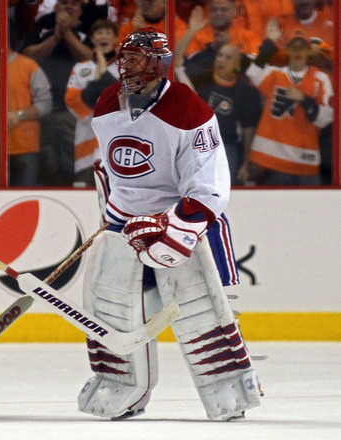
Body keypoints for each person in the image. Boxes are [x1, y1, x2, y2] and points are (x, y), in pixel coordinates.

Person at [78, 28, 262, 421]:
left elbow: (209, 184)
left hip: (185, 221)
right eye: (125, 58)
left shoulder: (188, 108)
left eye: (138, 58)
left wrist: (176, 228)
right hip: (124, 226)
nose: (127, 65)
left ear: (160, 64)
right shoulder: (108, 102)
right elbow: (114, 171)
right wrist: (110, 218)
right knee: (110, 310)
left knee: (204, 310)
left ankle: (227, 387)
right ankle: (123, 385)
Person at [175, 13, 262, 185]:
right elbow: (176, 61)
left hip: (227, 148)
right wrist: (191, 31)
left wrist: (246, 163)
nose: (221, 60)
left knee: (225, 193)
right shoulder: (201, 79)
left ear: (237, 64)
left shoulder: (245, 91)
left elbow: (248, 130)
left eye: (228, 57)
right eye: (220, 55)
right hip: (198, 147)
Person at [242, 25, 334, 185]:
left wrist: (305, 100)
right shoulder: (275, 74)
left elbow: (327, 117)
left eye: (302, 47)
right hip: (276, 162)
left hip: (306, 161)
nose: (298, 51)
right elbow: (253, 72)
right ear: (288, 50)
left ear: (309, 51)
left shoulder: (321, 78)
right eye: (294, 47)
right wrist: (270, 41)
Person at [0, 17, 52, 187]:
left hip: (25, 148)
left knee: (24, 201)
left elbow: (45, 104)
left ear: (3, 35)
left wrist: (19, 115)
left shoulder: (29, 66)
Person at [21, 0, 93, 186]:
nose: (69, 6)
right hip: (41, 111)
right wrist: (55, 36)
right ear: (55, 8)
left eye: (74, 4)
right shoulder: (40, 32)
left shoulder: (87, 35)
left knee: (75, 160)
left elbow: (89, 58)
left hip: (75, 113)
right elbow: (28, 57)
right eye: (64, 3)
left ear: (80, 11)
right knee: (47, 162)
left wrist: (66, 32)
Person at [65, 19, 119, 186]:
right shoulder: (80, 68)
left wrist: (97, 85)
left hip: (115, 142)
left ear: (115, 38)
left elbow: (118, 99)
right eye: (99, 33)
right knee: (83, 194)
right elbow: (72, 99)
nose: (104, 36)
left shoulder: (124, 67)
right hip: (87, 141)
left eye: (108, 33)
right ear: (92, 38)